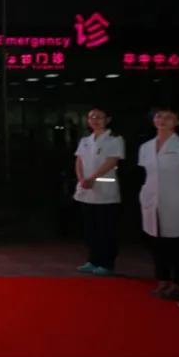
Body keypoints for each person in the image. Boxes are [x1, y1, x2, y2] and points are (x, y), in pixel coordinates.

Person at [137, 107, 179, 301]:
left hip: (176, 199)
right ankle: (162, 280)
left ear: (178, 122)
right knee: (156, 243)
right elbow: (147, 174)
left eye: (169, 117)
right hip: (151, 200)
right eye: (159, 116)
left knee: (178, 245)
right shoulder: (146, 147)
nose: (162, 120)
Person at [73, 107, 125, 276]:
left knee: (106, 229)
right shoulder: (85, 140)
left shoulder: (114, 139)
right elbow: (79, 161)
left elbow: (112, 161)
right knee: (90, 229)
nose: (95, 120)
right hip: (86, 190)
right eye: (91, 117)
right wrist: (82, 178)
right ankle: (93, 260)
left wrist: (92, 178)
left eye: (99, 117)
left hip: (105, 189)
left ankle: (106, 263)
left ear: (107, 119)